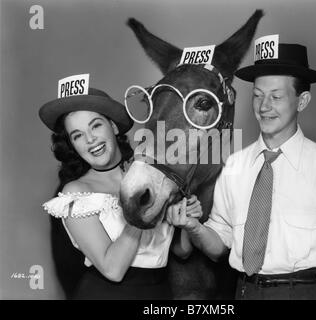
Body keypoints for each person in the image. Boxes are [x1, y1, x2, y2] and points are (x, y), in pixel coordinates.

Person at [171, 37, 316, 300]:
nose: (264, 107)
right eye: (257, 96)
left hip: (306, 292)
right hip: (246, 291)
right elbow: (219, 244)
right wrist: (194, 227)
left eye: (276, 96)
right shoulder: (234, 166)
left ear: (302, 100)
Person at [39, 74, 202, 299]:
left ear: (114, 126)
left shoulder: (150, 177)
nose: (90, 140)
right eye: (78, 136)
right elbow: (112, 269)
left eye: (95, 126)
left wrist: (186, 222)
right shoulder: (76, 193)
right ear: (72, 145)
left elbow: (180, 252)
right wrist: (140, 208)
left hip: (160, 293)